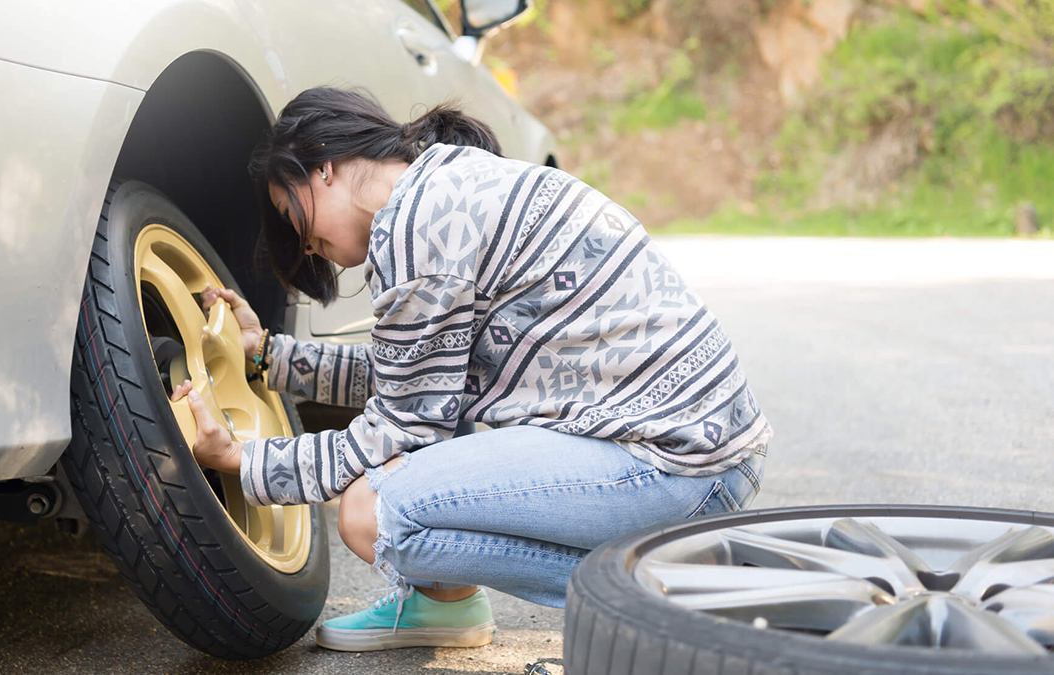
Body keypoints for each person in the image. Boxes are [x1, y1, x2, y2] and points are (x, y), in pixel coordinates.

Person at [167, 87, 771, 652]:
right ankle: (445, 605)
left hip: (672, 466)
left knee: (374, 512)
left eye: (287, 209)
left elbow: (402, 428)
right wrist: (269, 356)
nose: (301, 245)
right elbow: (416, 379)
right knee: (402, 472)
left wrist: (245, 461)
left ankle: (671, 588)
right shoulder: (443, 184)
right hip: (702, 450)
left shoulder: (414, 229)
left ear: (320, 166)